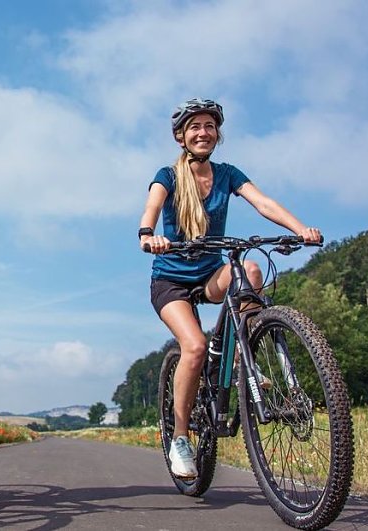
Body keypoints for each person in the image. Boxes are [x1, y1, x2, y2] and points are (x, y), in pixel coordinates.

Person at [137, 98, 320, 478]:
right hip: (170, 280)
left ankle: (245, 355)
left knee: (250, 270)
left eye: (209, 126)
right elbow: (151, 207)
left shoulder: (227, 173)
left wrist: (300, 229)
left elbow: (264, 203)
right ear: (180, 137)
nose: (203, 132)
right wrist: (148, 234)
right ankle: (181, 438)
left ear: (217, 134)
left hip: (209, 274)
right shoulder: (168, 176)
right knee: (195, 346)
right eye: (194, 127)